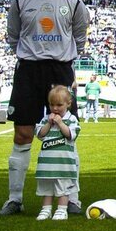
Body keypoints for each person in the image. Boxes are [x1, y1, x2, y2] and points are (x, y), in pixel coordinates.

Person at [0, 0, 89, 216]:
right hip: (28, 69)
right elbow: (13, 36)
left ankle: (72, 197)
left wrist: (63, 62)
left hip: (59, 70)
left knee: (67, 133)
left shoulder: (73, 2)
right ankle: (15, 198)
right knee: (23, 133)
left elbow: (80, 38)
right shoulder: (21, 0)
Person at [34, 85, 81, 221]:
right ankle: (46, 209)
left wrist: (60, 124)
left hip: (64, 164)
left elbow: (70, 135)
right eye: (52, 105)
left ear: (68, 104)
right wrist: (49, 124)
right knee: (47, 188)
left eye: (59, 105)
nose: (55, 108)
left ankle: (62, 210)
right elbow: (40, 134)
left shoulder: (71, 119)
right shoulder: (45, 119)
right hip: (47, 164)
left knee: (63, 188)